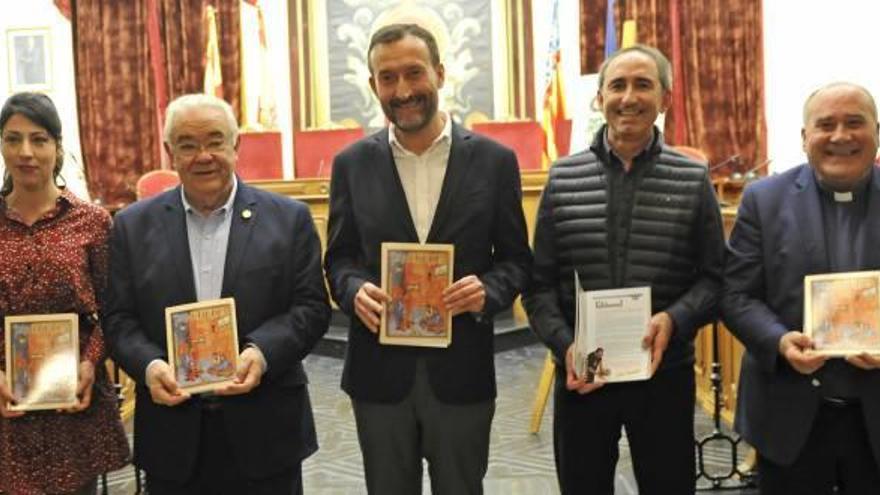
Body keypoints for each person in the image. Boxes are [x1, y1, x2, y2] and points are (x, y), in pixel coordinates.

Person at [324, 23, 532, 495]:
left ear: (439, 73)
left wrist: (488, 291)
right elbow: (339, 260)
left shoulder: (495, 162)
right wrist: (355, 290)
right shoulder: (351, 164)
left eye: (414, 73)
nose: (403, 90)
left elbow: (517, 261)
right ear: (374, 84)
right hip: (379, 375)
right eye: (387, 77)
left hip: (461, 370)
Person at [524, 44, 725, 495]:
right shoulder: (562, 178)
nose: (628, 97)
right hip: (582, 377)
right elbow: (537, 287)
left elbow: (716, 279)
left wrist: (674, 319)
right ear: (600, 98)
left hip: (664, 374)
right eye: (617, 85)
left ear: (665, 99)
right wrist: (566, 346)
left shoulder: (693, 180)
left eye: (642, 85)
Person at [104, 93, 330, 494]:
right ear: (170, 152)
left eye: (214, 141)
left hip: (266, 429)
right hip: (173, 434)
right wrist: (151, 366)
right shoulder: (132, 227)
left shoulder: (288, 219)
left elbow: (311, 308)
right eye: (188, 145)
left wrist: (261, 353)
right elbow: (119, 320)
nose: (203, 155)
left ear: (235, 145)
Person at [721, 82, 880, 494]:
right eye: (825, 125)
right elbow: (736, 294)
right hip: (789, 416)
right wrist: (778, 341)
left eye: (854, 123)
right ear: (805, 137)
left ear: (876, 132)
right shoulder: (763, 200)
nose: (840, 136)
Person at [0, 92, 129, 494]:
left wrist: (91, 364)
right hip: (5, 406)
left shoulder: (92, 222)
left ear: (57, 148)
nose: (26, 152)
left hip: (75, 399)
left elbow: (114, 310)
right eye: (12, 138)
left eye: (39, 139)